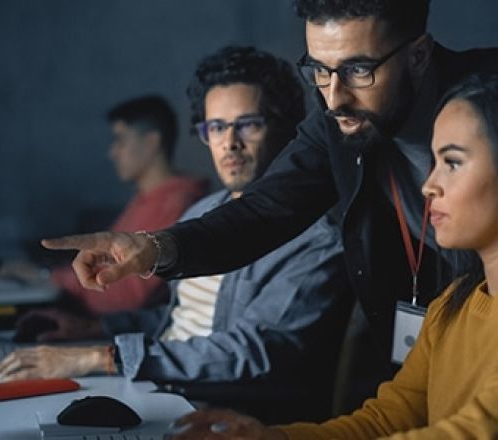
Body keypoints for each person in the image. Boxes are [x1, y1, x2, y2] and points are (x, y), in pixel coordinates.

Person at [40, 0, 498, 371]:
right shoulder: (337, 118)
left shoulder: (487, 96)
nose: (335, 96)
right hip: (432, 346)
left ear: (418, 55)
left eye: (360, 70)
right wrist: (151, 248)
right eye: (319, 69)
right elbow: (263, 211)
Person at [0, 46, 352, 423]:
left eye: (248, 124)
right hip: (157, 388)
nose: (229, 143)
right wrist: (94, 329)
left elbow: (253, 351)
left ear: (284, 129)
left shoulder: (316, 240)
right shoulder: (202, 214)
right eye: (216, 127)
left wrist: (102, 357)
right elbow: (180, 324)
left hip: (216, 413)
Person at [167, 72, 498, 440]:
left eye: (451, 162)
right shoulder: (451, 306)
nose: (428, 185)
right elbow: (387, 418)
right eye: (433, 162)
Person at [4, 95, 207, 321]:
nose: (112, 152)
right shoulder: (147, 197)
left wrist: (48, 277)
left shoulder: (175, 203)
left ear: (151, 143)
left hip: (120, 331)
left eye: (120, 140)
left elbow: (124, 298)